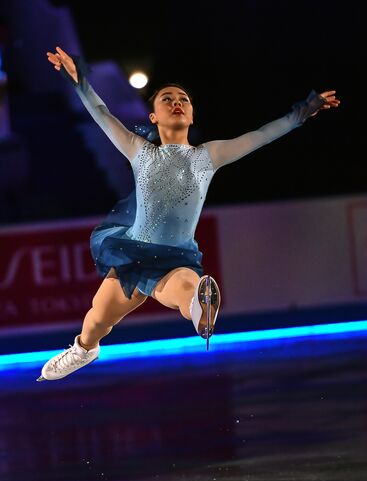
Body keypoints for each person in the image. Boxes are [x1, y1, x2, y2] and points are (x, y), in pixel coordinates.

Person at [37, 46, 340, 382]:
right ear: (153, 116)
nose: (176, 102)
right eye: (166, 98)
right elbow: (102, 113)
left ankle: (201, 311)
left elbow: (260, 137)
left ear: (192, 115)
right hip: (133, 256)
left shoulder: (209, 155)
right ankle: (84, 350)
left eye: (183, 98)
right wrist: (80, 82)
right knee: (96, 320)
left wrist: (301, 114)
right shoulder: (139, 150)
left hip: (175, 258)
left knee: (188, 287)